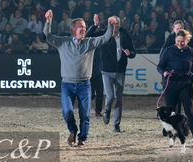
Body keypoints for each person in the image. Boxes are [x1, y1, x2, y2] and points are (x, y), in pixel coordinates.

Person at [43, 9, 113, 146]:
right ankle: (73, 131)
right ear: (73, 29)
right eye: (81, 27)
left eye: (85, 28)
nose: (83, 29)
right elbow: (48, 36)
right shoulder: (63, 42)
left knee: (85, 114)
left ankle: (83, 138)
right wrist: (48, 21)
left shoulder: (89, 42)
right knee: (67, 112)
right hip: (67, 84)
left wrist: (110, 25)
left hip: (84, 84)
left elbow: (105, 37)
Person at [86, 16, 136, 132]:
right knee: (111, 96)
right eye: (112, 24)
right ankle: (107, 111)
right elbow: (88, 36)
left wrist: (130, 54)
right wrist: (94, 26)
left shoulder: (125, 35)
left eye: (117, 23)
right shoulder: (104, 33)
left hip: (120, 71)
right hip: (107, 71)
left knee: (119, 99)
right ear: (109, 24)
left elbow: (133, 52)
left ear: (119, 24)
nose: (115, 26)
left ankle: (116, 125)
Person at [157, 29, 193, 148]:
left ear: (187, 41)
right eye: (178, 41)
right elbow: (160, 66)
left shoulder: (192, 52)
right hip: (171, 85)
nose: (180, 44)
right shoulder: (168, 51)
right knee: (172, 112)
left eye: (182, 41)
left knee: (189, 112)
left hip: (185, 85)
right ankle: (171, 134)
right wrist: (164, 72)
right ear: (175, 40)